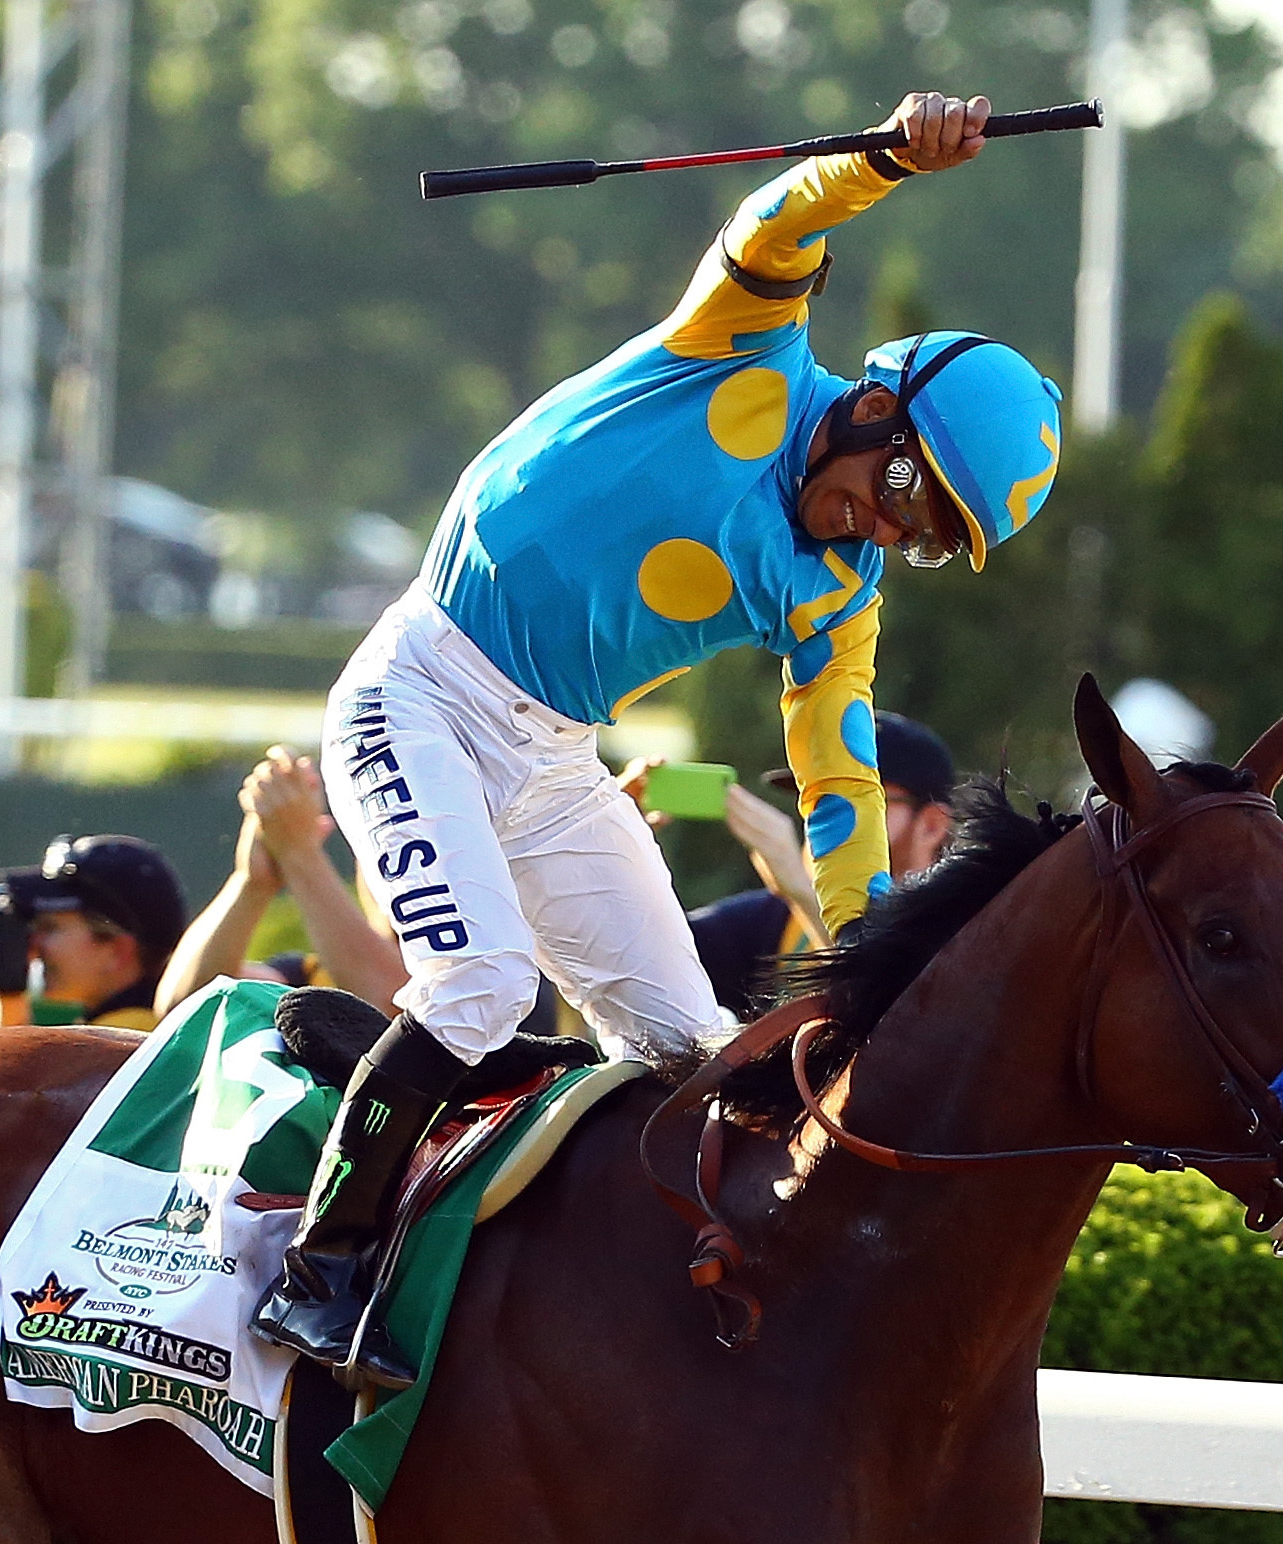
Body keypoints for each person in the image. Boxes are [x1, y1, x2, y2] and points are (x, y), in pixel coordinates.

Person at [260, 90, 1065, 1389]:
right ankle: (321, 1270)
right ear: (874, 403)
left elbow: (837, 779)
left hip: (554, 762)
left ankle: (577, 1288)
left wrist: (873, 970)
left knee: (692, 1064)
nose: (881, 529)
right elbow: (780, 215)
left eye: (919, 537)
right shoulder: (743, 348)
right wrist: (888, 158)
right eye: (906, 492)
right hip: (416, 693)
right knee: (479, 991)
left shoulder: (831, 593)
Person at [677, 710, 959, 1015]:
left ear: (932, 824)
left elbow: (891, 1009)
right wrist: (625, 848)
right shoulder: (773, 919)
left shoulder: (962, 929)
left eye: (852, 798)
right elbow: (654, 964)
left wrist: (804, 892)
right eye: (811, 797)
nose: (819, 819)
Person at [155, 745, 408, 1016]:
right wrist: (252, 883)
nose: (408, 872)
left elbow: (394, 1006)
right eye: (384, 847)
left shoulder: (455, 978)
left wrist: (298, 854)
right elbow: (185, 1012)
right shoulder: (315, 976)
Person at [0, 834, 188, 1039]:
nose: (33, 943)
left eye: (50, 928)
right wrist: (9, 992)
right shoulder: (130, 1026)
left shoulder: (128, 1039)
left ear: (116, 951)